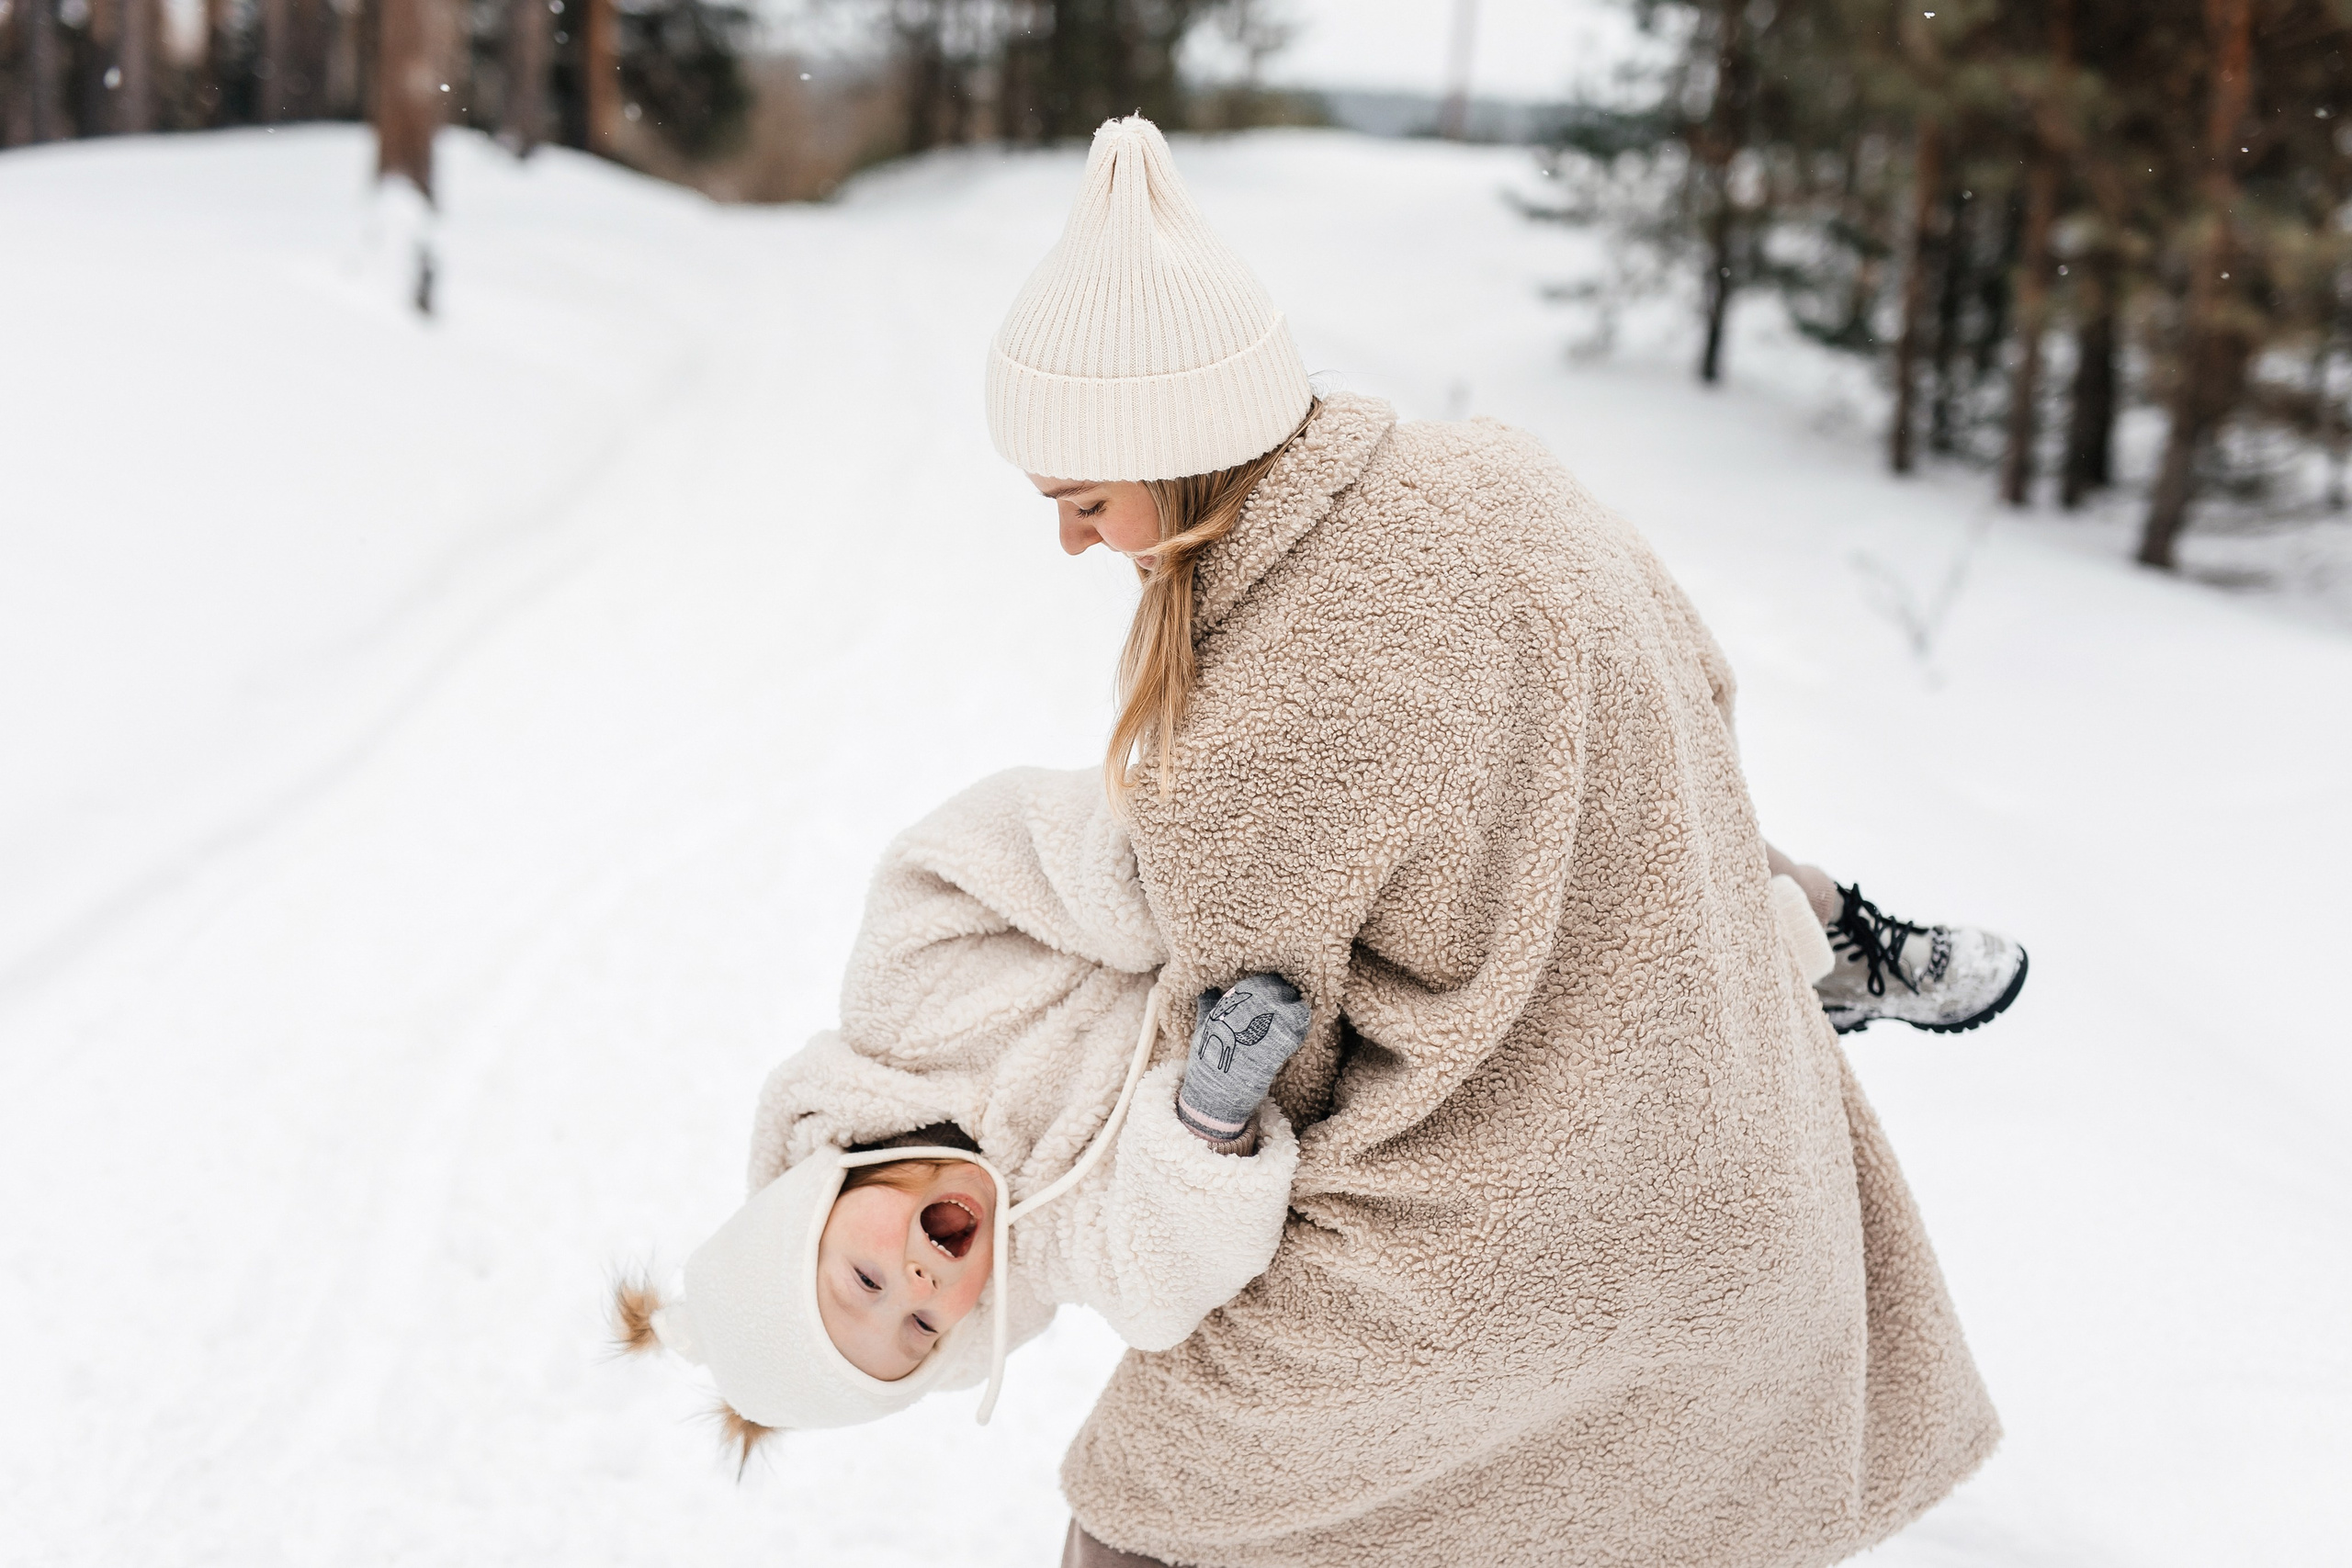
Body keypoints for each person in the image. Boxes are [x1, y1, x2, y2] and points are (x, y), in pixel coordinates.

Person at [984, 118, 2003, 1567]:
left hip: (1513, 1255)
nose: (1075, 544)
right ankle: (1836, 940)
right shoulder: (1514, 480)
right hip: (1757, 1202)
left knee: (1145, 1504)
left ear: (1176, 449)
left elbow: (1263, 1098)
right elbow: (1703, 710)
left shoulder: (1247, 733)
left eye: (1085, 500)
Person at [612, 770, 1321, 1450]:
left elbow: (953, 861)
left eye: (866, 1279)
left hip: (1174, 858)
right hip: (1247, 1012)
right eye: (921, 1326)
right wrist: (1205, 1121)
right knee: (1146, 1308)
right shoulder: (1038, 1246)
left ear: (817, 1203)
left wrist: (1138, 894)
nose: (918, 1286)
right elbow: (1152, 1279)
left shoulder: (899, 1009)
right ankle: (1216, 1094)